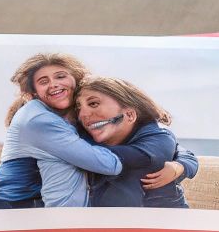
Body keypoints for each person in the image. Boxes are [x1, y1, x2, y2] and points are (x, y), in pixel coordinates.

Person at [0, 53, 124, 208]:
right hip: (17, 209)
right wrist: (144, 158)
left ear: (76, 79)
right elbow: (108, 164)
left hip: (37, 208)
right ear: (35, 92)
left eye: (60, 76)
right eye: (43, 81)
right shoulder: (38, 120)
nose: (53, 84)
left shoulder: (69, 116)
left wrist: (155, 159)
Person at [76, 76, 195, 207]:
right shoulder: (87, 137)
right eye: (78, 108)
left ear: (130, 115)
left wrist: (182, 166)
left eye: (93, 103)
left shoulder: (159, 136)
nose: (82, 115)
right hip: (109, 221)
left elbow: (146, 156)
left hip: (163, 222)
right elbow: (181, 151)